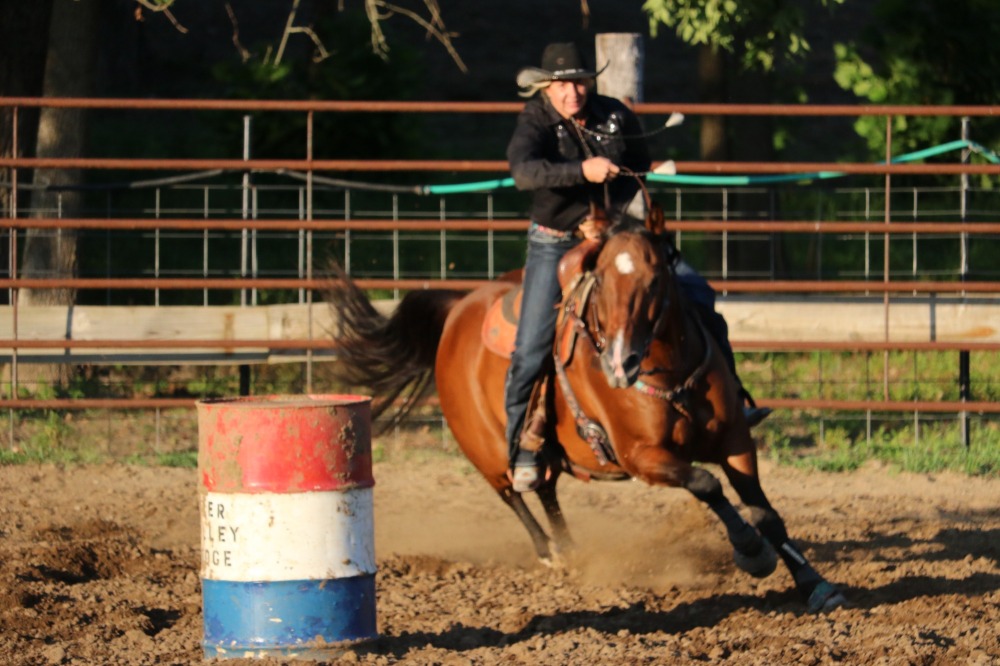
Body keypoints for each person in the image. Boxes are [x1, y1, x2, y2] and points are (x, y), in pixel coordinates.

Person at [505, 42, 769, 493]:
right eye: (563, 84)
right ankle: (523, 446)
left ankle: (732, 401)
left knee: (699, 296)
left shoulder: (615, 115)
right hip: (558, 237)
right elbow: (523, 173)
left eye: (580, 82)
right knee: (531, 345)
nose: (573, 92)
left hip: (618, 234)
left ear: (590, 82)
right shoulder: (535, 121)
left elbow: (637, 167)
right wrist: (581, 171)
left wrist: (637, 183)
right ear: (548, 86)